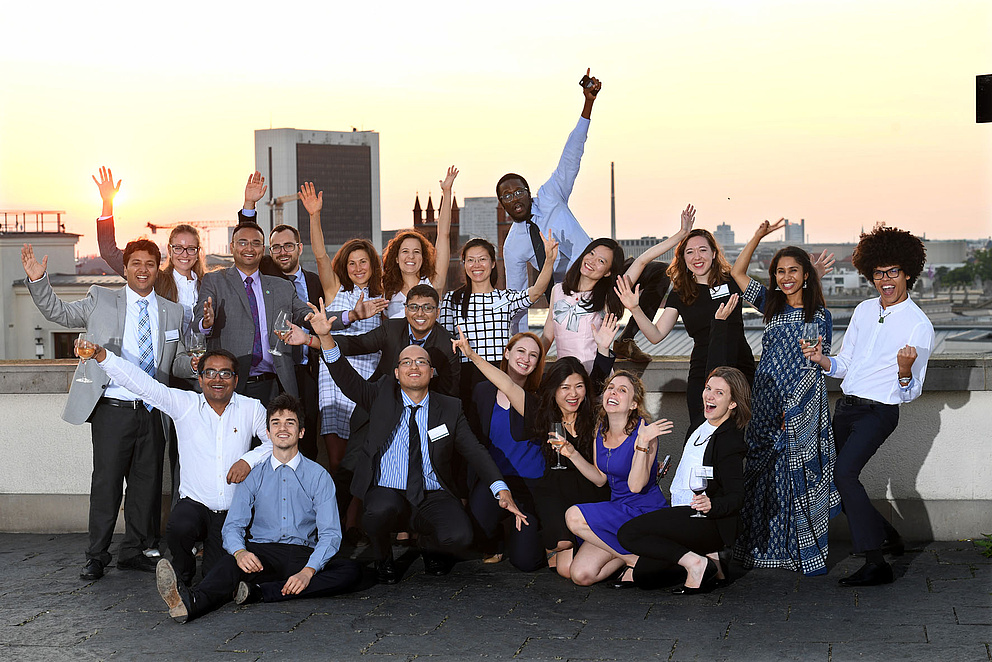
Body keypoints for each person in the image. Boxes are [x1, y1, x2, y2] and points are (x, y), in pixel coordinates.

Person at [308, 299, 529, 584]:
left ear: (432, 371)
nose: (414, 366)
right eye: (406, 362)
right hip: (387, 490)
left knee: (460, 536)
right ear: (396, 373)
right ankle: (383, 557)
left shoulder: (449, 408)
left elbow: (475, 451)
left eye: (421, 361)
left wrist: (501, 489)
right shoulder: (380, 395)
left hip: (432, 493)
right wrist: (325, 337)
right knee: (376, 513)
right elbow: (345, 377)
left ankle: (429, 546)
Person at [22, 240, 191, 580]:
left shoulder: (173, 311)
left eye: (150, 263)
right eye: (136, 263)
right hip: (112, 409)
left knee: (146, 486)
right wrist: (39, 281)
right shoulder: (100, 298)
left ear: (158, 269)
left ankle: (134, 551)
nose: (143, 269)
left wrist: (198, 365)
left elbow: (178, 362)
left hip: (153, 410)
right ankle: (96, 555)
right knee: (107, 484)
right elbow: (59, 313)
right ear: (125, 268)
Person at [155, 394, 362, 623]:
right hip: (263, 554)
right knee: (229, 564)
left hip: (303, 553)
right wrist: (240, 553)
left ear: (301, 432)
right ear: (268, 432)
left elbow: (330, 534)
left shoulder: (319, 476)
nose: (282, 428)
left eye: (290, 423)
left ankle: (261, 592)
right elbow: (233, 526)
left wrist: (308, 571)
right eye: (276, 423)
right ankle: (191, 602)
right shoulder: (253, 476)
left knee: (351, 571)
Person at [803, 224, 934, 587]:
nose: (885, 280)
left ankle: (877, 564)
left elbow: (911, 393)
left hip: (879, 412)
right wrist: (822, 359)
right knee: (833, 477)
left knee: (845, 474)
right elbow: (846, 364)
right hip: (847, 407)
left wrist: (905, 372)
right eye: (878, 273)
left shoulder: (919, 326)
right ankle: (888, 537)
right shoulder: (863, 310)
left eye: (893, 272)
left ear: (908, 273)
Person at [92, 345, 272, 585]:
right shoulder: (184, 404)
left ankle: (207, 577)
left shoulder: (252, 408)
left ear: (236, 380)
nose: (217, 379)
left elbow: (276, 443)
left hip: (231, 514)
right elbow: (143, 385)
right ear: (200, 379)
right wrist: (103, 357)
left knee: (215, 577)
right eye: (210, 373)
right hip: (194, 507)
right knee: (179, 526)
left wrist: (247, 461)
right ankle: (182, 573)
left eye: (225, 373)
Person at [453, 317, 618, 574]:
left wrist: (604, 350)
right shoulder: (543, 412)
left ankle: (604, 551)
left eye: (533, 355)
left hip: (575, 490)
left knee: (529, 562)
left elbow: (594, 384)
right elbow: (507, 385)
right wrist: (471, 355)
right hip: (540, 488)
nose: (572, 393)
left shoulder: (589, 415)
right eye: (564, 387)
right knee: (560, 562)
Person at [729, 220, 840, 576]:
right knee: (760, 474)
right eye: (780, 271)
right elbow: (737, 272)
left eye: (793, 270)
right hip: (764, 401)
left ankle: (796, 552)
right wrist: (757, 236)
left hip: (796, 408)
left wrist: (791, 411)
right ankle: (759, 549)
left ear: (807, 275)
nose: (786, 277)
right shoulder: (770, 305)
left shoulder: (817, 315)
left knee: (793, 478)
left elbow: (811, 365)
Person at [617, 365, 751, 593]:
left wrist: (711, 504)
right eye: (708, 388)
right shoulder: (700, 423)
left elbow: (737, 496)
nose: (709, 395)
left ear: (732, 403)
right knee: (645, 576)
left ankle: (697, 563)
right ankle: (712, 561)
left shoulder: (730, 441)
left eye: (719, 392)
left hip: (706, 520)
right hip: (681, 512)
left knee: (628, 533)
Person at [616, 226, 763, 419]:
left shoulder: (732, 281)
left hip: (739, 368)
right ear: (683, 258)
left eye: (702, 250)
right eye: (690, 252)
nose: (697, 257)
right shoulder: (681, 292)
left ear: (714, 253)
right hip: (703, 372)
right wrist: (635, 308)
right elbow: (656, 335)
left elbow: (768, 304)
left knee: (741, 429)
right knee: (700, 428)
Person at [499, 69, 600, 333]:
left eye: (518, 191)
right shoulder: (513, 246)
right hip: (566, 298)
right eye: (506, 196)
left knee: (655, 275)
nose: (514, 198)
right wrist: (516, 344)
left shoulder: (551, 196)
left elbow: (571, 156)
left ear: (528, 192)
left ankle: (628, 338)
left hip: (599, 276)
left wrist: (588, 104)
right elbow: (517, 300)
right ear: (502, 205)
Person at [302, 180, 387, 475]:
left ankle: (358, 505)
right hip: (334, 373)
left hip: (369, 374)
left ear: (373, 264)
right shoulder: (335, 288)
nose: (358, 268)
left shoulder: (383, 293)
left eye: (363, 262)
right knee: (337, 458)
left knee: (365, 449)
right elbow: (320, 255)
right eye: (352, 263)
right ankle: (339, 499)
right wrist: (314, 215)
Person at [557, 371, 673, 585]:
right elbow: (600, 478)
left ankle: (633, 560)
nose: (613, 392)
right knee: (581, 575)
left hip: (643, 512)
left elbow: (636, 486)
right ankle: (636, 555)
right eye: (610, 388)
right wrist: (572, 453)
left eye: (622, 390)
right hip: (618, 509)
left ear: (633, 404)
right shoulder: (600, 430)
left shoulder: (645, 433)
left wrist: (642, 443)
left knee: (573, 516)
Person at [193, 222, 312, 409]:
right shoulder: (215, 281)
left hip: (273, 385)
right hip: (230, 384)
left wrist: (350, 316)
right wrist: (206, 322)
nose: (249, 248)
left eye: (255, 243)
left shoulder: (282, 286)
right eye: (243, 243)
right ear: (232, 247)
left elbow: (307, 314)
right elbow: (198, 320)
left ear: (263, 249)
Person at [439, 236, 557, 404]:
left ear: (493, 263)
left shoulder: (504, 298)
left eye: (482, 259)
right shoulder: (452, 299)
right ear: (464, 264)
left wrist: (549, 260)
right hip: (465, 376)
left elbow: (536, 291)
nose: (476, 265)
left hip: (501, 375)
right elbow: (446, 342)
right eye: (470, 260)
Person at [94, 166, 205, 335]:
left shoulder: (209, 284)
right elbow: (108, 252)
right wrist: (107, 202)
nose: (184, 254)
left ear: (198, 252)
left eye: (191, 249)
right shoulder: (155, 279)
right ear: (169, 250)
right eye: (178, 248)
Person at [611, 205, 697, 362]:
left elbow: (642, 261)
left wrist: (682, 234)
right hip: (576, 282)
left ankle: (625, 340)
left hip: (607, 275)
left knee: (660, 271)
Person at [382, 167, 458, 317]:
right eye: (405, 251)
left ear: (423, 258)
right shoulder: (387, 291)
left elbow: (443, 234)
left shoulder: (433, 284)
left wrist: (447, 192)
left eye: (416, 252)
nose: (411, 256)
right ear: (396, 258)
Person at [542, 238, 625, 372]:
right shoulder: (557, 290)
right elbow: (546, 338)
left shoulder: (607, 299)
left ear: (608, 272)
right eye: (591, 253)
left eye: (601, 261)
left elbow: (641, 262)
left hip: (594, 374)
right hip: (565, 375)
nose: (592, 261)